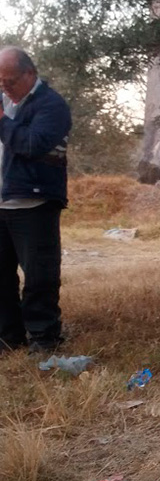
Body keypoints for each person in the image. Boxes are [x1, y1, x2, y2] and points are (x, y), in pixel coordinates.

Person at [0, 47, 72, 354]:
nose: (4, 87)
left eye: (10, 81)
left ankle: (44, 337)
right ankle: (7, 337)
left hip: (34, 203)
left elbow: (33, 144)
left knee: (40, 275)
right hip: (1, 202)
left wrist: (1, 121)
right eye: (0, 82)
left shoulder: (52, 105)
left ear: (30, 74)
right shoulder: (4, 101)